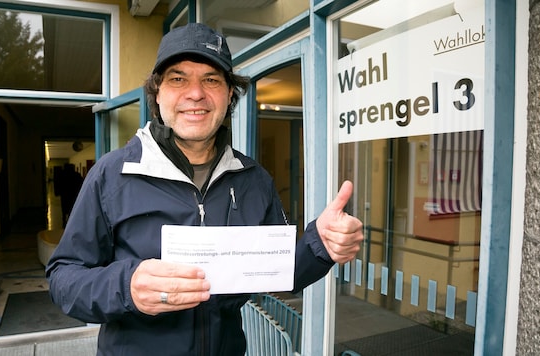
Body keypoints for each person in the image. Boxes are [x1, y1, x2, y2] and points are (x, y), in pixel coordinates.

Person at [46, 22, 363, 356]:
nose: (195, 93)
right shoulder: (113, 174)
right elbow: (64, 277)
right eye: (178, 79)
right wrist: (126, 287)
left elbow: (276, 271)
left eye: (211, 79)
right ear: (158, 94)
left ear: (229, 95)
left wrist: (320, 245)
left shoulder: (253, 180)